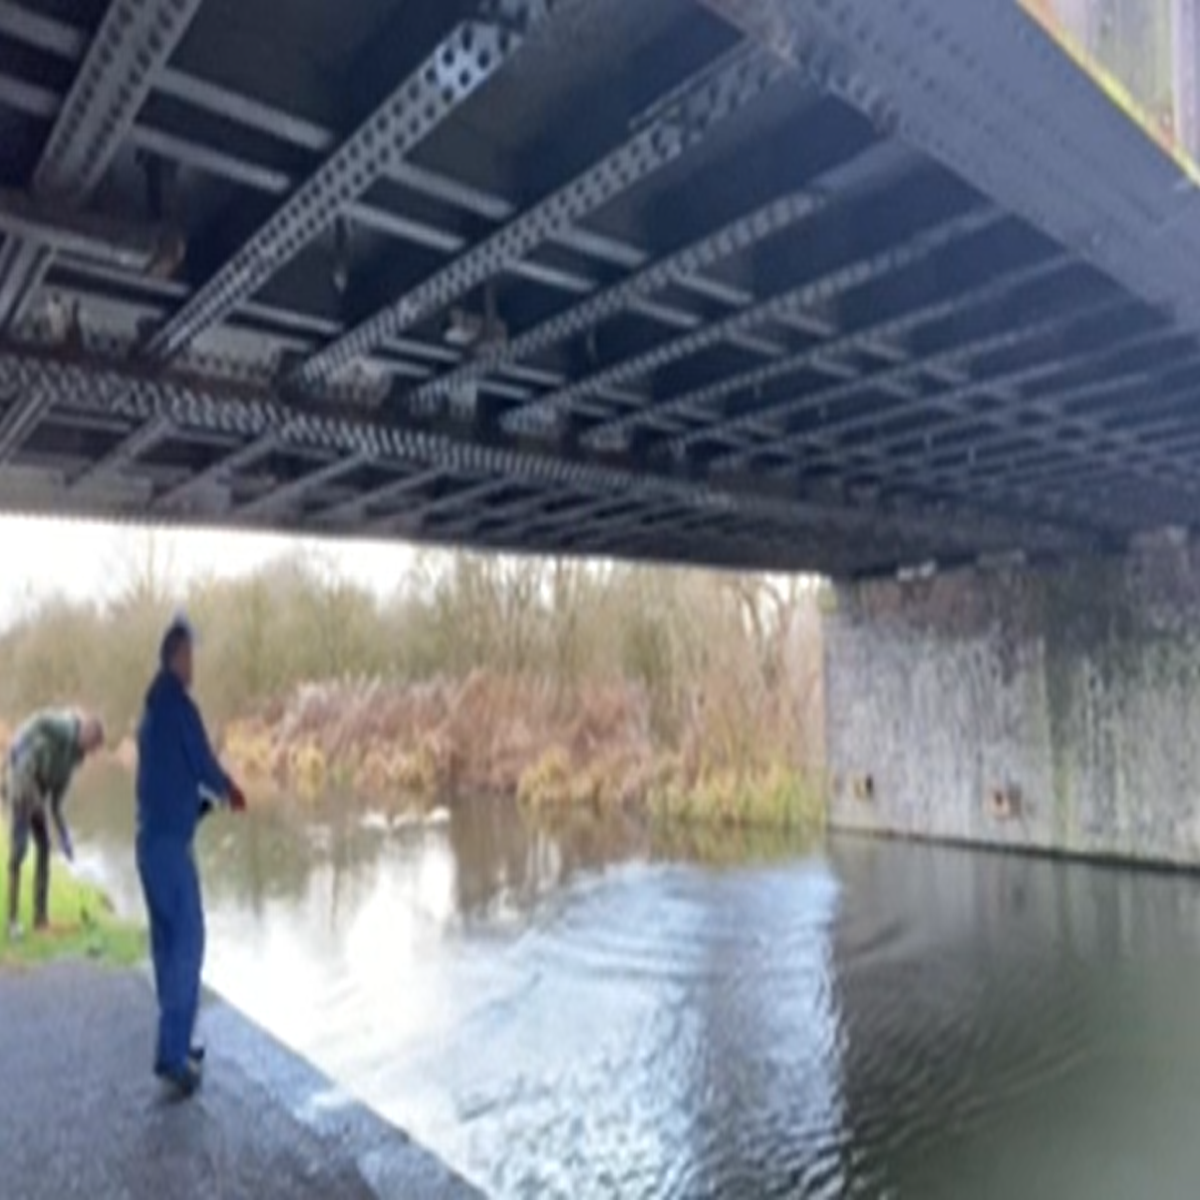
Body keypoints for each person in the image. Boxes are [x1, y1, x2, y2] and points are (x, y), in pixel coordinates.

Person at [136, 614, 245, 1098]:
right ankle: (174, 1057)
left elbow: (169, 780)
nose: (193, 663)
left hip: (149, 844)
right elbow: (201, 761)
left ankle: (176, 1044)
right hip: (168, 852)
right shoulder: (178, 707)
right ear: (176, 656)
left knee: (166, 946)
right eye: (190, 655)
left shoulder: (152, 711)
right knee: (189, 944)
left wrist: (200, 802)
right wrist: (230, 789)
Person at [4, 708, 105, 938]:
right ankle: (12, 922)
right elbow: (38, 720)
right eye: (91, 745)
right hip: (21, 779)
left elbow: (56, 806)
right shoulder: (63, 727)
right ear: (86, 733)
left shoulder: (73, 761)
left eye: (93, 750)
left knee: (45, 847)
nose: (90, 752)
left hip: (38, 789)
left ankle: (40, 919)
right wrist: (17, 746)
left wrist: (66, 840)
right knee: (18, 852)